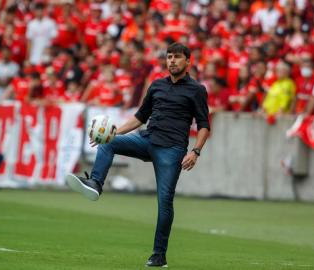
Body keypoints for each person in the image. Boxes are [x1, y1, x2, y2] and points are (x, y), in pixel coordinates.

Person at [66, 43, 210, 267]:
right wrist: (114, 132)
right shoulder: (156, 85)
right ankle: (95, 183)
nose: (172, 60)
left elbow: (204, 125)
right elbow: (140, 117)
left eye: (177, 57)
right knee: (109, 142)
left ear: (188, 61)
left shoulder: (197, 90)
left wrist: (196, 151)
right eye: (169, 56)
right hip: (147, 139)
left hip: (171, 150)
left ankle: (159, 255)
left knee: (164, 203)